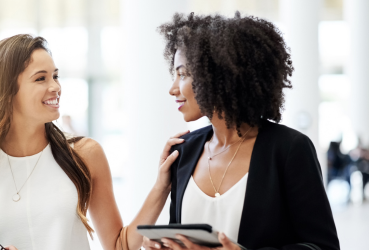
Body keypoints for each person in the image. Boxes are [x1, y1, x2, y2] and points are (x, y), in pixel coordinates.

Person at [0, 34, 182, 250]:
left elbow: (118, 244)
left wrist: (161, 188)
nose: (55, 87)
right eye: (41, 78)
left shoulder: (84, 154)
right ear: (6, 90)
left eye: (55, 76)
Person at [142, 12, 340, 250]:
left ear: (216, 74)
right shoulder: (184, 151)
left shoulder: (289, 149)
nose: (173, 88)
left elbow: (323, 247)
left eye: (183, 74)